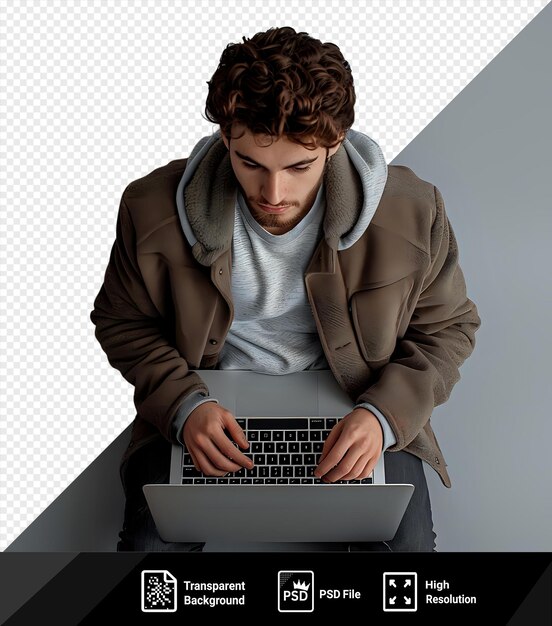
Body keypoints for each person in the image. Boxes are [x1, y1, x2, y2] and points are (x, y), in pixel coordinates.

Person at [90, 26, 481, 552]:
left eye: (299, 167)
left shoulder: (412, 210)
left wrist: (384, 417)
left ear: (336, 141)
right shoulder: (151, 207)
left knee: (405, 562)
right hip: (205, 399)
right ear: (224, 136)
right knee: (150, 560)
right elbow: (122, 321)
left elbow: (449, 328)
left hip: (357, 400)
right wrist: (183, 407)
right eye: (250, 163)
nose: (273, 192)